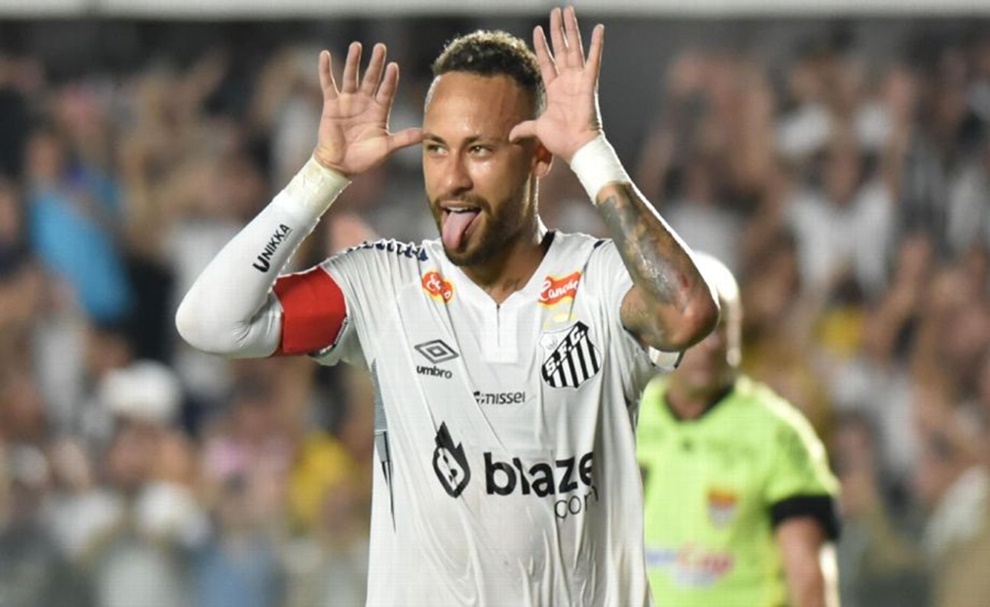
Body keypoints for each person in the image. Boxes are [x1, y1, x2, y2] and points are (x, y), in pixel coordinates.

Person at [176, 6, 718, 605]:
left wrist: (591, 151)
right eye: (436, 149)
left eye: (479, 150)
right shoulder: (386, 285)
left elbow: (688, 313)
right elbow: (210, 322)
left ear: (539, 155)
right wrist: (322, 175)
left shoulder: (600, 280)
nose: (452, 179)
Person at [637, 251, 841, 607]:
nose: (711, 344)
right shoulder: (630, 416)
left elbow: (809, 580)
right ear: (662, 328)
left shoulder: (780, 433)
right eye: (699, 325)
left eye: (721, 326)